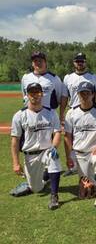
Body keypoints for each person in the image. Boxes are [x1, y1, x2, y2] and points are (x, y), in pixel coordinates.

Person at [10, 82, 62, 210]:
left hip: (46, 151)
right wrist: (16, 163)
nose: (35, 95)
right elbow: (15, 141)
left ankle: (54, 196)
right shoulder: (20, 115)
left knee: (53, 158)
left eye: (37, 92)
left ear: (42, 94)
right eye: (32, 92)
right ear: (27, 95)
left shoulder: (51, 113)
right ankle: (45, 177)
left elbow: (57, 133)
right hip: (30, 155)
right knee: (36, 189)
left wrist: (54, 146)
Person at [64, 81, 96, 207]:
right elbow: (67, 137)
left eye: (87, 93)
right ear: (78, 94)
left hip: (93, 151)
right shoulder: (71, 113)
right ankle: (90, 182)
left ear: (93, 94)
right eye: (81, 93)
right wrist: (68, 156)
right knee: (86, 186)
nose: (84, 96)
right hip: (78, 154)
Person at [61, 52, 96, 176]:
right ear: (74, 63)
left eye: (82, 61)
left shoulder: (93, 77)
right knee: (73, 140)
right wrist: (62, 114)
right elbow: (65, 97)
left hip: (91, 111)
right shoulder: (68, 77)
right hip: (73, 112)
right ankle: (73, 165)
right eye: (77, 61)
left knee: (94, 139)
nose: (80, 63)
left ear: (85, 62)